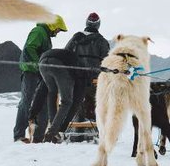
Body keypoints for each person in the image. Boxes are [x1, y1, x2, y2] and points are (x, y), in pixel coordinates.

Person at [38, 12, 110, 142]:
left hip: (72, 74)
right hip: (92, 78)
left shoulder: (76, 38)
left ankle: (58, 130)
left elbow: (66, 53)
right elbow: (106, 61)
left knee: (62, 99)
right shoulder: (102, 41)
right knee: (89, 103)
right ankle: (92, 132)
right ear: (98, 25)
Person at [13, 14, 66, 142]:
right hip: (31, 72)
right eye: (58, 29)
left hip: (40, 74)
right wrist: (39, 65)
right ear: (53, 25)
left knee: (43, 104)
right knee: (26, 101)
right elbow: (30, 48)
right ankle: (19, 135)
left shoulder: (45, 35)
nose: (57, 33)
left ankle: (39, 137)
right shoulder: (38, 31)